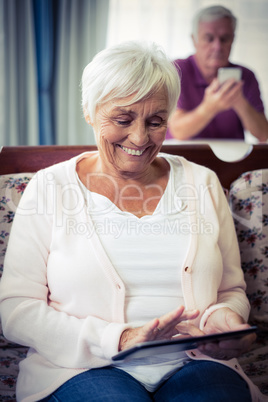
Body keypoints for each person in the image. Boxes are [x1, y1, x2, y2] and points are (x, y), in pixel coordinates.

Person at [0, 41, 263, 402]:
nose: (140, 138)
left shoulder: (201, 183)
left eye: (156, 122)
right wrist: (119, 339)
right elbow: (16, 309)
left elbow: (230, 291)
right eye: (123, 120)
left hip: (196, 363)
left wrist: (225, 319)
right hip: (81, 369)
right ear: (90, 111)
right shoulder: (50, 187)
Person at [166, 5, 268, 142]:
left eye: (224, 39)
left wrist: (240, 102)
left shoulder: (246, 76)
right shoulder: (177, 70)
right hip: (185, 157)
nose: (217, 47)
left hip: (231, 160)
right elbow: (178, 131)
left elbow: (263, 134)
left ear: (233, 40)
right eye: (209, 38)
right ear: (194, 40)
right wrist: (209, 108)